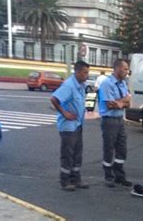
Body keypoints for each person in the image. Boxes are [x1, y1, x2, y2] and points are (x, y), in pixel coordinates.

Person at [50, 60, 90, 191]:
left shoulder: (81, 85)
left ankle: (76, 179)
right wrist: (64, 113)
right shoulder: (69, 86)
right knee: (67, 154)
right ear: (77, 72)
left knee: (77, 154)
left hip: (78, 125)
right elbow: (54, 99)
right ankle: (64, 181)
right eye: (85, 73)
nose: (87, 75)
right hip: (68, 126)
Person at [99, 59, 132, 188]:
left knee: (122, 149)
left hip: (119, 120)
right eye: (125, 69)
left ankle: (119, 175)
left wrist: (120, 102)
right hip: (109, 120)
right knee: (109, 148)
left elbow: (128, 102)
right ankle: (108, 176)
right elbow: (110, 105)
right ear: (118, 69)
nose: (127, 71)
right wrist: (122, 102)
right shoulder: (106, 83)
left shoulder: (123, 83)